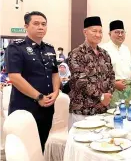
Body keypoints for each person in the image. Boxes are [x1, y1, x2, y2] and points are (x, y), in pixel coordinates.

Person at [5, 11, 60, 151]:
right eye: (36, 24)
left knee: (40, 146)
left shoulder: (50, 49)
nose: (41, 27)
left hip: (47, 107)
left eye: (44, 24)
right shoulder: (16, 47)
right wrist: (39, 96)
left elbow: (55, 74)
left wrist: (56, 92)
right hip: (25, 107)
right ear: (26, 26)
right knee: (23, 150)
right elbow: (14, 77)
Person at [67, 16, 115, 127]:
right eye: (94, 31)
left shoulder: (105, 54)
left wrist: (108, 96)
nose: (98, 35)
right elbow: (80, 81)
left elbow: (111, 76)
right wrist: (101, 97)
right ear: (85, 32)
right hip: (83, 110)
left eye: (100, 32)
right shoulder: (76, 53)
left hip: (103, 109)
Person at [100, 20, 131, 107]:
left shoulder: (126, 49)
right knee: (112, 116)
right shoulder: (103, 49)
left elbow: (129, 70)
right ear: (109, 34)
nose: (120, 35)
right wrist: (114, 84)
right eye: (117, 32)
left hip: (127, 90)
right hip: (111, 89)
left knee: (128, 117)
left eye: (122, 32)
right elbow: (100, 73)